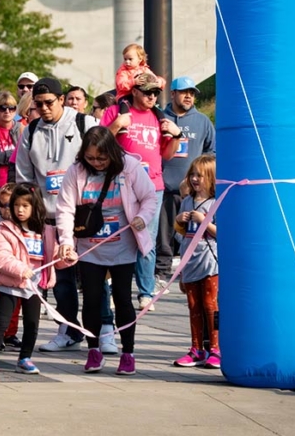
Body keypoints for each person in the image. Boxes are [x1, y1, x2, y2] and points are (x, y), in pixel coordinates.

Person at [55, 126, 159, 376]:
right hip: (90, 246)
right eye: (91, 158)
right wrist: (66, 240)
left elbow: (149, 198)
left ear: (112, 152)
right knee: (91, 298)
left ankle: (128, 353)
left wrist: (142, 219)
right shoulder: (76, 171)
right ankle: (94, 350)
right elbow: (65, 208)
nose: (97, 163)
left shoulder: (129, 167)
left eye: (102, 158)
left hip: (122, 244)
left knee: (123, 298)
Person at [15, 77, 99, 354]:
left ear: (61, 99)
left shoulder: (84, 124)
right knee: (61, 281)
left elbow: (102, 164)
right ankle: (68, 329)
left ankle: (105, 331)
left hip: (84, 215)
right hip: (50, 216)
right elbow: (25, 177)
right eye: (37, 104)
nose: (43, 108)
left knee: (94, 277)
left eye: (48, 102)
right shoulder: (31, 131)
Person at [102, 70, 182, 309]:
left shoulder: (160, 117)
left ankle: (146, 292)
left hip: (153, 187)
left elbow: (167, 154)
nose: (152, 97)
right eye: (147, 92)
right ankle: (118, 289)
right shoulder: (116, 112)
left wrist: (176, 136)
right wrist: (117, 124)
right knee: (118, 237)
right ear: (135, 91)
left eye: (156, 93)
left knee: (147, 239)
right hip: (121, 184)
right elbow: (97, 143)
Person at [0, 183, 53, 377]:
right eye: (16, 205)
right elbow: (1, 257)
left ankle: (24, 359)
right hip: (9, 285)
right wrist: (21, 270)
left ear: (35, 207)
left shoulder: (46, 231)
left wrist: (68, 256)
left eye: (25, 206)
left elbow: (54, 258)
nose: (20, 210)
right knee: (1, 323)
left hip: (34, 287)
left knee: (32, 323)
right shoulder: (3, 230)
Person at [157, 76, 215, 282]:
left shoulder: (202, 121)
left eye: (192, 93)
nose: (189, 96)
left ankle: (186, 268)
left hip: (194, 192)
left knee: (190, 233)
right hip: (164, 188)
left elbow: (213, 152)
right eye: (184, 92)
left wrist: (201, 176)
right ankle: (161, 273)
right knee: (163, 236)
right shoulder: (160, 118)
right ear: (172, 94)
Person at [172, 155, 220, 369]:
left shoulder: (216, 203)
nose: (195, 179)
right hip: (189, 260)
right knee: (194, 306)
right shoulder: (187, 201)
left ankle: (216, 349)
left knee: (211, 305)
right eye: (192, 174)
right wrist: (178, 221)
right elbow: (181, 234)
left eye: (200, 175)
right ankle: (196, 348)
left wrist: (205, 222)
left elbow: (223, 234)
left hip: (210, 262)